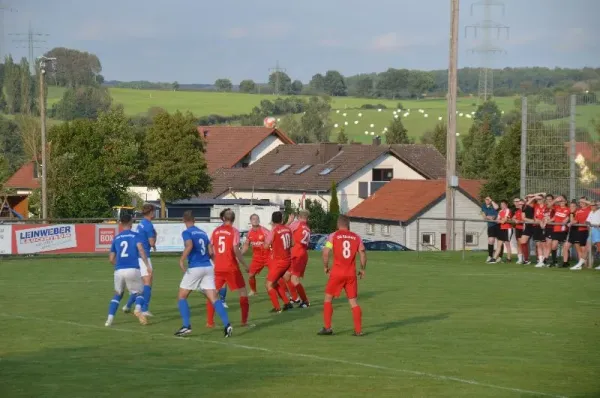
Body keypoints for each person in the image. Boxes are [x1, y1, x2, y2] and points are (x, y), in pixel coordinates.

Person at [175, 211, 232, 337]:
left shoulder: (187, 232)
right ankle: (227, 324)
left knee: (182, 296)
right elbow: (211, 252)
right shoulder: (202, 233)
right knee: (214, 298)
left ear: (184, 220)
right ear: (194, 220)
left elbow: (189, 245)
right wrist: (217, 265)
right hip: (208, 267)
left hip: (195, 267)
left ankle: (186, 326)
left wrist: (181, 259)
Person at [318, 215, 367, 336]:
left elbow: (325, 252)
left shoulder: (334, 236)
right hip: (351, 274)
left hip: (337, 273)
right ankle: (358, 330)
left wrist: (325, 266)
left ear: (338, 225)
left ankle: (328, 328)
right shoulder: (356, 237)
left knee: (328, 299)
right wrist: (362, 269)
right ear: (348, 225)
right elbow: (362, 252)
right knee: (353, 302)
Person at [106, 213, 149, 327]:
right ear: (131, 222)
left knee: (118, 294)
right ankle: (138, 309)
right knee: (140, 292)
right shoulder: (136, 235)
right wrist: (147, 265)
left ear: (120, 223)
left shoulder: (116, 238)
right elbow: (141, 250)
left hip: (119, 270)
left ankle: (109, 320)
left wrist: (119, 265)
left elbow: (111, 259)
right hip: (133, 269)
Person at [210, 209, 250, 326]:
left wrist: (215, 260)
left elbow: (210, 248)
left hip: (218, 267)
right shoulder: (234, 231)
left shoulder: (216, 231)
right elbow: (235, 249)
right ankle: (244, 321)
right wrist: (245, 264)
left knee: (213, 293)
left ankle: (210, 322)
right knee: (243, 291)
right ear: (234, 219)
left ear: (223, 218)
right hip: (231, 266)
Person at [123, 203, 156, 317]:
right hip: (144, 257)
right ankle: (144, 309)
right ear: (151, 212)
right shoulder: (148, 225)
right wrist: (155, 236)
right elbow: (152, 243)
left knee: (140, 285)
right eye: (154, 211)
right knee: (147, 283)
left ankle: (127, 305)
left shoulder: (141, 224)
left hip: (136, 257)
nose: (155, 213)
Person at [263, 211, 294, 313]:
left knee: (268, 285)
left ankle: (277, 308)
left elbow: (266, 246)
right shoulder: (288, 229)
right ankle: (287, 302)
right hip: (287, 260)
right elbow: (292, 243)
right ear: (281, 220)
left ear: (272, 221)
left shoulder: (274, 230)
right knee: (275, 283)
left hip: (279, 262)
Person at [286, 210, 311, 308]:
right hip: (301, 253)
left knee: (294, 279)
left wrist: (289, 221)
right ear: (307, 218)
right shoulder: (307, 228)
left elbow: (283, 229)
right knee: (286, 275)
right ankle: (295, 298)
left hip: (297, 254)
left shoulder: (296, 224)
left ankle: (305, 301)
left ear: (298, 217)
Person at [242, 214, 270, 296]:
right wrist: (240, 253)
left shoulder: (264, 231)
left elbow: (272, 241)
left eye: (257, 219)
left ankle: (285, 292)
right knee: (251, 275)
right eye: (253, 219)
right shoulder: (249, 233)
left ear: (259, 220)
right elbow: (246, 245)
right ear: (250, 221)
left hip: (267, 256)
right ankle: (253, 291)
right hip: (257, 258)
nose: (255, 220)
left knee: (276, 274)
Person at [572, 197, 593, 270]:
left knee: (586, 247)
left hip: (588, 230)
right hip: (580, 230)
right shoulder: (578, 210)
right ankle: (583, 264)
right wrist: (571, 223)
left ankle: (586, 263)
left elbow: (593, 204)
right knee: (581, 247)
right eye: (580, 202)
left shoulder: (590, 208)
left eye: (583, 202)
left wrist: (585, 201)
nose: (581, 203)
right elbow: (576, 220)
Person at [549, 196, 569, 267]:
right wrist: (555, 200)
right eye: (560, 201)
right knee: (554, 246)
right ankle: (554, 261)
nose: (561, 202)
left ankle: (565, 262)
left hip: (563, 230)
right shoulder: (557, 207)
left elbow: (569, 217)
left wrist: (567, 219)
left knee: (565, 247)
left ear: (566, 202)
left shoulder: (568, 209)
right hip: (555, 229)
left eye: (563, 201)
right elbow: (549, 205)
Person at [519, 195, 537, 265]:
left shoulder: (537, 205)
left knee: (538, 243)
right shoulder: (525, 206)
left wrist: (534, 196)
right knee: (523, 242)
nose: (530, 198)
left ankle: (540, 259)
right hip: (529, 226)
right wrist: (531, 220)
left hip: (537, 226)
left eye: (531, 197)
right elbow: (523, 218)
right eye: (528, 197)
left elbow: (544, 194)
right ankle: (526, 259)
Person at [481, 197, 500, 263]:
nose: (487, 200)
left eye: (488, 199)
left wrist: (492, 201)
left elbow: (496, 210)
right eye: (486, 199)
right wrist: (488, 217)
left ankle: (499, 257)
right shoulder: (483, 206)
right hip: (491, 226)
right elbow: (484, 216)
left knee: (499, 242)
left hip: (498, 225)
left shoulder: (493, 205)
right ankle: (490, 256)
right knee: (491, 240)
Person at [563, 200, 579, 267]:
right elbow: (564, 221)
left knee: (578, 249)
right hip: (572, 232)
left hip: (578, 232)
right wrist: (565, 221)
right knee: (565, 247)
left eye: (573, 206)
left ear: (576, 207)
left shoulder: (578, 212)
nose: (571, 207)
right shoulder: (570, 213)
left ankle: (582, 263)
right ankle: (565, 263)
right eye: (570, 206)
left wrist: (571, 220)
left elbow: (574, 221)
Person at [533, 195, 548, 268]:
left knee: (543, 244)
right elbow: (535, 217)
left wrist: (542, 222)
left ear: (543, 199)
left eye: (540, 199)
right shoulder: (536, 207)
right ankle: (540, 260)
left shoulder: (546, 207)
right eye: (537, 199)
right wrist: (539, 221)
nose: (538, 200)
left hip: (543, 227)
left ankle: (544, 261)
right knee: (538, 244)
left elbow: (546, 217)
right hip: (536, 226)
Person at [586, 201, 600, 270]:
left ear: (596, 206)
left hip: (598, 231)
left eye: (593, 205)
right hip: (592, 231)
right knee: (588, 248)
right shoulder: (591, 212)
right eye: (591, 205)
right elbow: (587, 221)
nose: (592, 207)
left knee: (599, 247)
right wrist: (588, 223)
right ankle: (589, 264)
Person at [512, 198, 525, 264]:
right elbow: (513, 218)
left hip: (523, 228)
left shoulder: (525, 211)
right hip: (518, 228)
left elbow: (525, 219)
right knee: (518, 243)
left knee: (523, 243)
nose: (520, 205)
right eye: (519, 204)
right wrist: (515, 220)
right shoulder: (517, 211)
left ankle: (525, 258)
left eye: (521, 204)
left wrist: (519, 221)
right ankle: (520, 258)